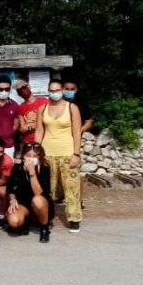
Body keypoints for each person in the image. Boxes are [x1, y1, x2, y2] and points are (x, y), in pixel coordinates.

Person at [35, 79, 83, 232]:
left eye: (57, 90)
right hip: (47, 153)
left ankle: (74, 218)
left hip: (67, 152)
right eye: (51, 90)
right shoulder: (42, 108)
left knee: (71, 188)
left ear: (62, 90)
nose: (54, 93)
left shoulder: (72, 108)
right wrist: (36, 151)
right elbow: (39, 131)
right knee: (48, 189)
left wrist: (76, 153)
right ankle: (46, 217)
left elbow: (77, 132)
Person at [6, 142, 53, 242]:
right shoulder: (17, 168)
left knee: (37, 200)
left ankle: (44, 228)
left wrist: (32, 172)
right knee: (14, 221)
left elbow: (38, 193)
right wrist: (12, 199)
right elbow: (10, 188)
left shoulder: (44, 168)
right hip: (23, 203)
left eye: (35, 156)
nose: (31, 158)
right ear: (23, 155)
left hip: (41, 203)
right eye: (28, 155)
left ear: (39, 156)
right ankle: (26, 221)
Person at [63, 78, 94, 208]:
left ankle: (78, 200)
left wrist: (77, 132)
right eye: (67, 89)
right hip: (58, 141)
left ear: (77, 90)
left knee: (75, 170)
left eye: (72, 89)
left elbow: (89, 121)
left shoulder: (81, 103)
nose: (69, 91)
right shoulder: (56, 103)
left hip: (74, 141)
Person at [15, 80, 48, 146]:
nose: (23, 90)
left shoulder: (44, 101)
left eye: (24, 87)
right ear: (18, 94)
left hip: (44, 140)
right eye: (19, 90)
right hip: (28, 142)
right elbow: (23, 129)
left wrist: (29, 127)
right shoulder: (20, 107)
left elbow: (47, 121)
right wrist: (38, 124)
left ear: (29, 87)